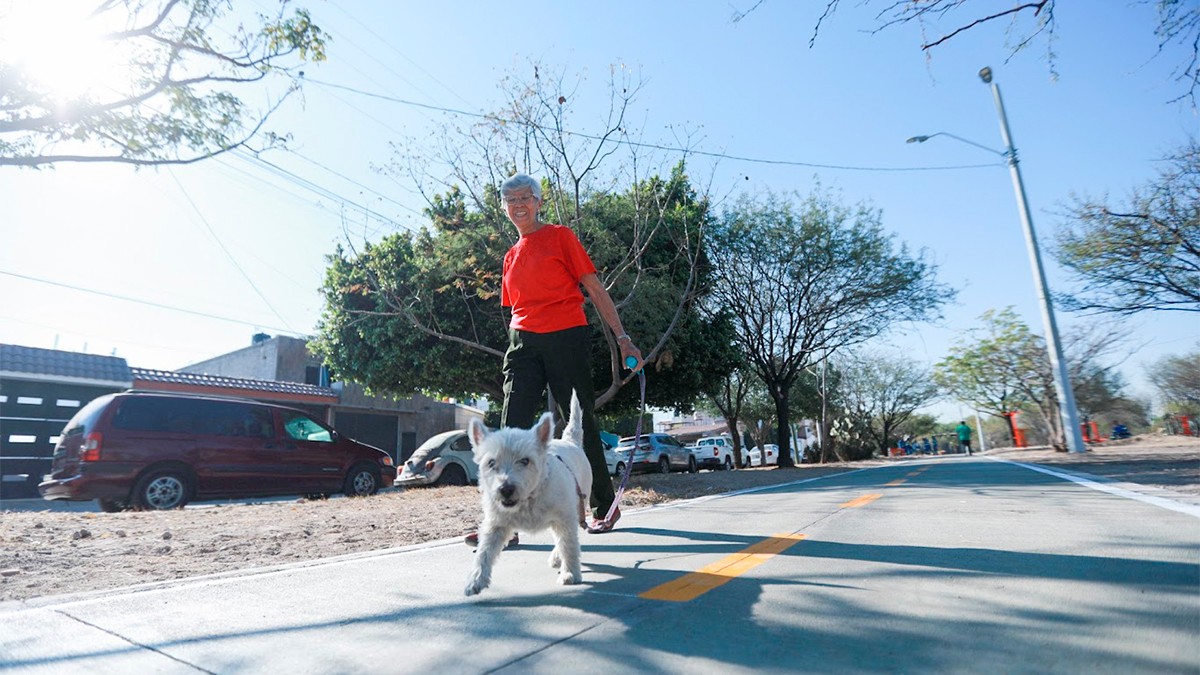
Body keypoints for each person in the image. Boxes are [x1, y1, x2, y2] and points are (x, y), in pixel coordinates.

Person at [473, 173, 643, 542]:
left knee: (580, 420)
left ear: (538, 202)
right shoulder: (510, 256)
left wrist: (623, 339)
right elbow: (515, 307)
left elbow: (594, 288)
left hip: (566, 334)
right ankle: (504, 521)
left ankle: (603, 505)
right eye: (510, 200)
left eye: (525, 198)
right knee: (510, 427)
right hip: (523, 342)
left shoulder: (560, 236)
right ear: (504, 208)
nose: (518, 205)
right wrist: (519, 341)